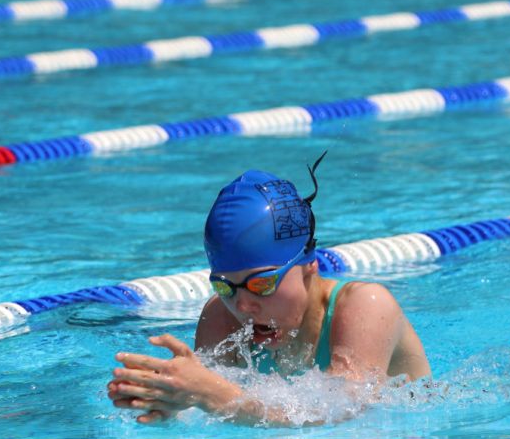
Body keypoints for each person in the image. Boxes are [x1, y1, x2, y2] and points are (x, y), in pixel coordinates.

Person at [107, 156, 431, 425]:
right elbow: (214, 419)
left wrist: (208, 394)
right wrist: (169, 402)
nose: (243, 305)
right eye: (225, 286)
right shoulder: (220, 317)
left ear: (309, 265)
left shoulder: (365, 306)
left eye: (262, 284)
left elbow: (339, 415)